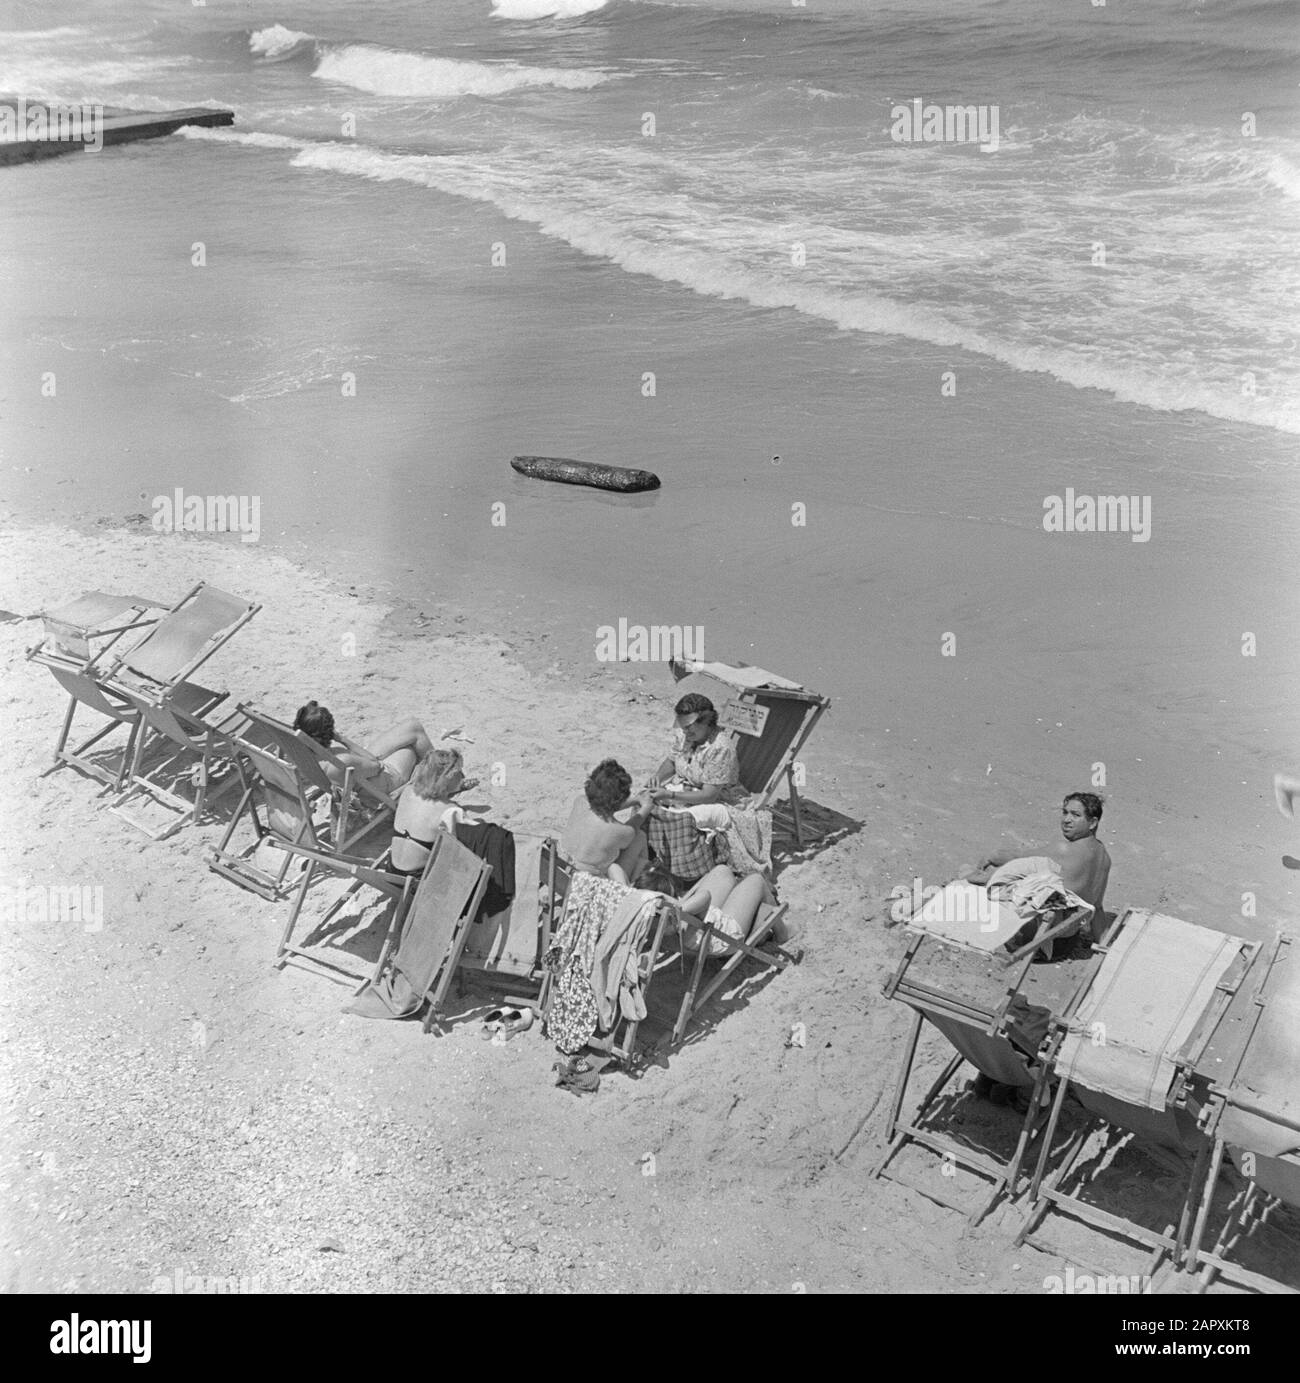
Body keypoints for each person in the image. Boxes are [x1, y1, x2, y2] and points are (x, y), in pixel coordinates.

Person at [968, 791, 1111, 937]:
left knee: (998, 873)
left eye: (1075, 815)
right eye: (1065, 812)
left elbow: (1016, 857)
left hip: (1041, 936)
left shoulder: (1065, 850)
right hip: (1066, 940)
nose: (1066, 820)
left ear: (1092, 823)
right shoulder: (1104, 858)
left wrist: (990, 856)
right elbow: (1098, 908)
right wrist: (1104, 946)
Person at [647, 692, 748, 828]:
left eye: (688, 727)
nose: (684, 731)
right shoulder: (685, 735)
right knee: (644, 800)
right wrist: (657, 778)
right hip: (687, 790)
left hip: (718, 802)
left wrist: (670, 794)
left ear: (706, 721)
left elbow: (709, 795)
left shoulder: (720, 748)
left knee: (682, 820)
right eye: (682, 726)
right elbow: (672, 761)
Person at [292, 701, 434, 796]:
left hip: (360, 774)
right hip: (381, 784)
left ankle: (437, 764)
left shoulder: (301, 752)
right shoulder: (342, 761)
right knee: (410, 746)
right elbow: (376, 765)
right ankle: (440, 771)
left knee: (412, 726)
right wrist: (342, 739)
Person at [560, 759, 654, 885]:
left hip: (562, 869)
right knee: (640, 837)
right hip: (588, 884)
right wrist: (646, 807)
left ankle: (641, 875)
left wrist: (636, 800)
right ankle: (641, 882)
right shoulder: (622, 832)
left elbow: (603, 805)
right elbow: (634, 825)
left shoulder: (580, 801)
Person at [389, 748, 479, 879]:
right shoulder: (450, 810)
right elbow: (470, 842)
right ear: (449, 778)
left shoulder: (407, 791)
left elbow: (429, 801)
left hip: (392, 869)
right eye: (458, 773)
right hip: (418, 878)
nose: (463, 776)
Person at [675, 864, 797, 952]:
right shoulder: (663, 907)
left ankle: (760, 920)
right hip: (714, 938)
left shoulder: (655, 905)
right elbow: (705, 897)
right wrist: (679, 910)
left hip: (688, 929)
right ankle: (782, 932)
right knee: (757, 880)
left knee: (722, 871)